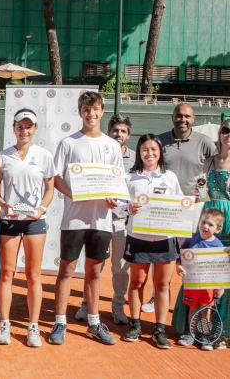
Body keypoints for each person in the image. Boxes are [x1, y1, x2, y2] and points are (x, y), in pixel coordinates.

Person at [49, 91, 123, 346]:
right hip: (74, 220)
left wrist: (114, 198)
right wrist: (74, 194)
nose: (91, 114)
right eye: (86, 109)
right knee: (66, 270)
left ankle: (93, 322)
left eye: (95, 109)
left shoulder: (112, 146)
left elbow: (117, 182)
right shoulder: (68, 143)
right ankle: (60, 321)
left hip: (101, 221)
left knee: (94, 273)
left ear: (102, 111)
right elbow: (56, 178)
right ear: (79, 112)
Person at [0, 109, 54, 347]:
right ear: (13, 128)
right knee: (7, 273)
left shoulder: (44, 156)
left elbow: (50, 189)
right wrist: (3, 205)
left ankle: (33, 326)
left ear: (35, 129)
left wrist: (41, 209)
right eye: (20, 126)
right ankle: (4, 324)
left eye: (29, 127)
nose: (24, 131)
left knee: (33, 275)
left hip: (34, 221)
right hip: (9, 220)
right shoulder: (2, 156)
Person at [151, 103, 215, 313]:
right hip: (166, 207)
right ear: (172, 117)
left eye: (187, 116)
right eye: (179, 115)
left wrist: (203, 193)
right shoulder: (160, 140)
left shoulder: (204, 142)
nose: (183, 120)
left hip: (194, 206)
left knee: (190, 253)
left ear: (193, 118)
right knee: (163, 254)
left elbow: (211, 169)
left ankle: (191, 300)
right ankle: (156, 296)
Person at [172, 118, 230, 347]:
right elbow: (201, 192)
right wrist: (196, 195)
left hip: (228, 222)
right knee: (200, 270)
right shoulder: (209, 161)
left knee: (224, 275)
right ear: (220, 134)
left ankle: (220, 332)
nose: (229, 134)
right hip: (210, 216)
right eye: (226, 130)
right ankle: (193, 328)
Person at [121, 134, 182, 349]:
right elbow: (119, 205)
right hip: (138, 238)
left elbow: (180, 206)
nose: (149, 153)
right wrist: (129, 208)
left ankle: (159, 330)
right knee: (137, 283)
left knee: (162, 285)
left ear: (160, 152)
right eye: (145, 149)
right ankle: (135, 325)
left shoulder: (170, 177)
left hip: (165, 239)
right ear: (139, 152)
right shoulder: (130, 178)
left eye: (153, 149)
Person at [75, 114, 134, 325]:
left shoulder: (136, 159)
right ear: (109, 132)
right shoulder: (101, 152)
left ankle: (118, 307)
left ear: (128, 135)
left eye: (123, 131)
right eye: (115, 130)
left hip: (122, 220)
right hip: (98, 216)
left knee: (120, 267)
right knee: (94, 265)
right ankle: (86, 305)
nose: (119, 134)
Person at [176, 208, 226, 350]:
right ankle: (191, 335)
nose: (205, 226)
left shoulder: (218, 246)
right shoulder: (191, 239)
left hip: (208, 287)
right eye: (203, 222)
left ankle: (205, 336)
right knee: (192, 309)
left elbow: (221, 269)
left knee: (206, 311)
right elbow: (180, 257)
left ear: (217, 229)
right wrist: (178, 266)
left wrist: (221, 287)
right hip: (192, 284)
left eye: (210, 225)